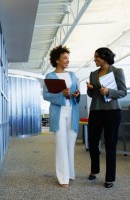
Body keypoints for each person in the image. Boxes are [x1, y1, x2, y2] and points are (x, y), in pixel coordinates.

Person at [86, 47, 127, 188]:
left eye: (97, 57)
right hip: (96, 110)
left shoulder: (117, 72)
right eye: (95, 57)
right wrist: (90, 89)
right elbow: (92, 95)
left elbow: (123, 92)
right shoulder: (93, 74)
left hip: (112, 111)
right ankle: (94, 170)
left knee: (110, 143)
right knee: (92, 141)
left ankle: (110, 178)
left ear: (105, 57)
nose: (95, 59)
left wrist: (109, 91)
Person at [43, 45, 80, 188]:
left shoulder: (72, 75)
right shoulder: (50, 76)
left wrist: (76, 94)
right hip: (58, 113)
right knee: (61, 144)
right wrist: (61, 95)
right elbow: (46, 95)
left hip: (72, 111)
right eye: (64, 58)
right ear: (57, 60)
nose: (67, 61)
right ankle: (62, 178)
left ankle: (70, 173)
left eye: (68, 58)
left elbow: (76, 91)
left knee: (70, 144)